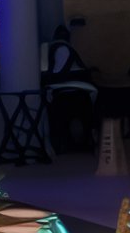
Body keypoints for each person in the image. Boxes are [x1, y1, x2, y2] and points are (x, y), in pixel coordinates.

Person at [41, 24, 97, 153]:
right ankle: (85, 142)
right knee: (85, 114)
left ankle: (66, 144)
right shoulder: (63, 48)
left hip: (58, 91)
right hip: (70, 90)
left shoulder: (50, 47)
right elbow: (61, 72)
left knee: (61, 122)